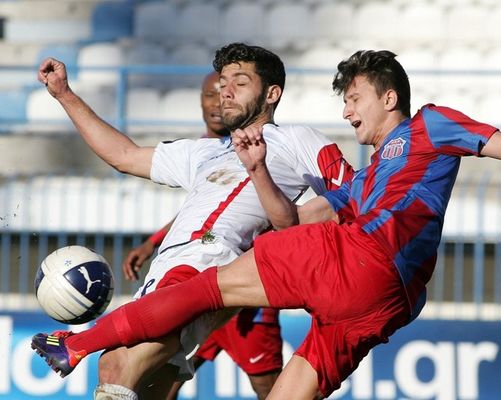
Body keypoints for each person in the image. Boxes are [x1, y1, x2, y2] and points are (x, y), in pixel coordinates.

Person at [32, 49, 501, 399]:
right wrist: (65, 96)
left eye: (354, 99)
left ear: (389, 95)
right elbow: (289, 218)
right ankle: (86, 346)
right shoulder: (358, 178)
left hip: (353, 261)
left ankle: (78, 343)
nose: (348, 111)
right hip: (380, 302)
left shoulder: (422, 126)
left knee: (179, 313)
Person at [31, 42, 353, 400]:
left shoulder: (297, 139)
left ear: (271, 94)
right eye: (223, 81)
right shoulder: (204, 151)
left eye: (240, 82)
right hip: (170, 268)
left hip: (207, 261)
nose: (225, 91)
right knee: (148, 386)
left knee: (117, 366)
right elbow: (124, 155)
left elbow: (353, 196)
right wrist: (64, 94)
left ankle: (76, 344)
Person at [123, 71, 283, 400]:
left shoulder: (259, 147)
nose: (216, 102)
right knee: (160, 381)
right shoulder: (200, 151)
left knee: (269, 387)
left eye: (222, 93)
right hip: (196, 288)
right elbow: (202, 217)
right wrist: (153, 242)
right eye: (209, 95)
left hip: (241, 295)